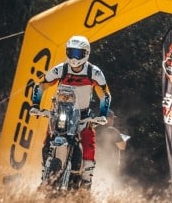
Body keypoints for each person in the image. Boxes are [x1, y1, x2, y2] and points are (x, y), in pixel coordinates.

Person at [30, 35, 111, 189]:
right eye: (71, 52)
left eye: (78, 53)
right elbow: (41, 84)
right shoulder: (60, 69)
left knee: (88, 142)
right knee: (48, 140)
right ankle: (44, 174)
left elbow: (104, 94)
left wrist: (102, 114)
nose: (74, 58)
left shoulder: (94, 72)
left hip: (82, 114)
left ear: (86, 53)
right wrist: (35, 105)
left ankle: (86, 181)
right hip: (60, 112)